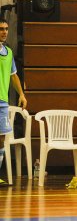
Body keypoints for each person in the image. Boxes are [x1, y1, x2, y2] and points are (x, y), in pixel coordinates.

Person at [0, 18, 27, 186]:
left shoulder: (8, 52)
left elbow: (13, 76)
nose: (4, 31)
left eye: (6, 29)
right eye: (1, 28)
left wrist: (22, 95)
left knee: (1, 138)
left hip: (2, 102)